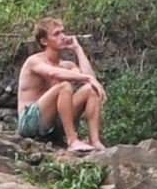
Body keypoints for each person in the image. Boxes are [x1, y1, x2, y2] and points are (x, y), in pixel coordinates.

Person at [17, 15, 108, 152]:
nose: (63, 36)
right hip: (30, 122)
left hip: (55, 123)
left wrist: (77, 49)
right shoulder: (34, 61)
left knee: (91, 89)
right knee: (64, 86)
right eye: (57, 34)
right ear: (44, 41)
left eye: (63, 32)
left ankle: (94, 140)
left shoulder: (67, 65)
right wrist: (86, 78)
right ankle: (72, 141)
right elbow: (52, 73)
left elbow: (90, 78)